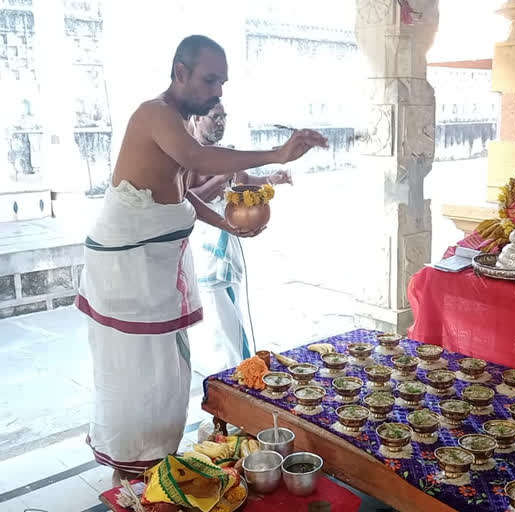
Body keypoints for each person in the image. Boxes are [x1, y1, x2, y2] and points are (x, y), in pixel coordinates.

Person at [75, 34, 327, 485]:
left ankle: (154, 472)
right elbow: (196, 158)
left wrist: (228, 225)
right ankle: (130, 481)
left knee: (168, 378)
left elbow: (182, 189)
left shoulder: (177, 123)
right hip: (126, 274)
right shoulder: (154, 114)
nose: (218, 92)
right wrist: (277, 152)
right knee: (136, 385)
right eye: (211, 80)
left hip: (155, 271)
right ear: (180, 72)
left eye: (222, 82)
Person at [186, 102, 290, 375]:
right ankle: (240, 374)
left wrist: (271, 178)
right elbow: (190, 199)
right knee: (222, 325)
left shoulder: (224, 153)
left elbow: (243, 179)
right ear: (196, 118)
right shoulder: (188, 156)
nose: (220, 122)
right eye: (214, 117)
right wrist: (221, 179)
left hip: (225, 244)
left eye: (223, 117)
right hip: (204, 247)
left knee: (229, 315)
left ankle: (236, 375)